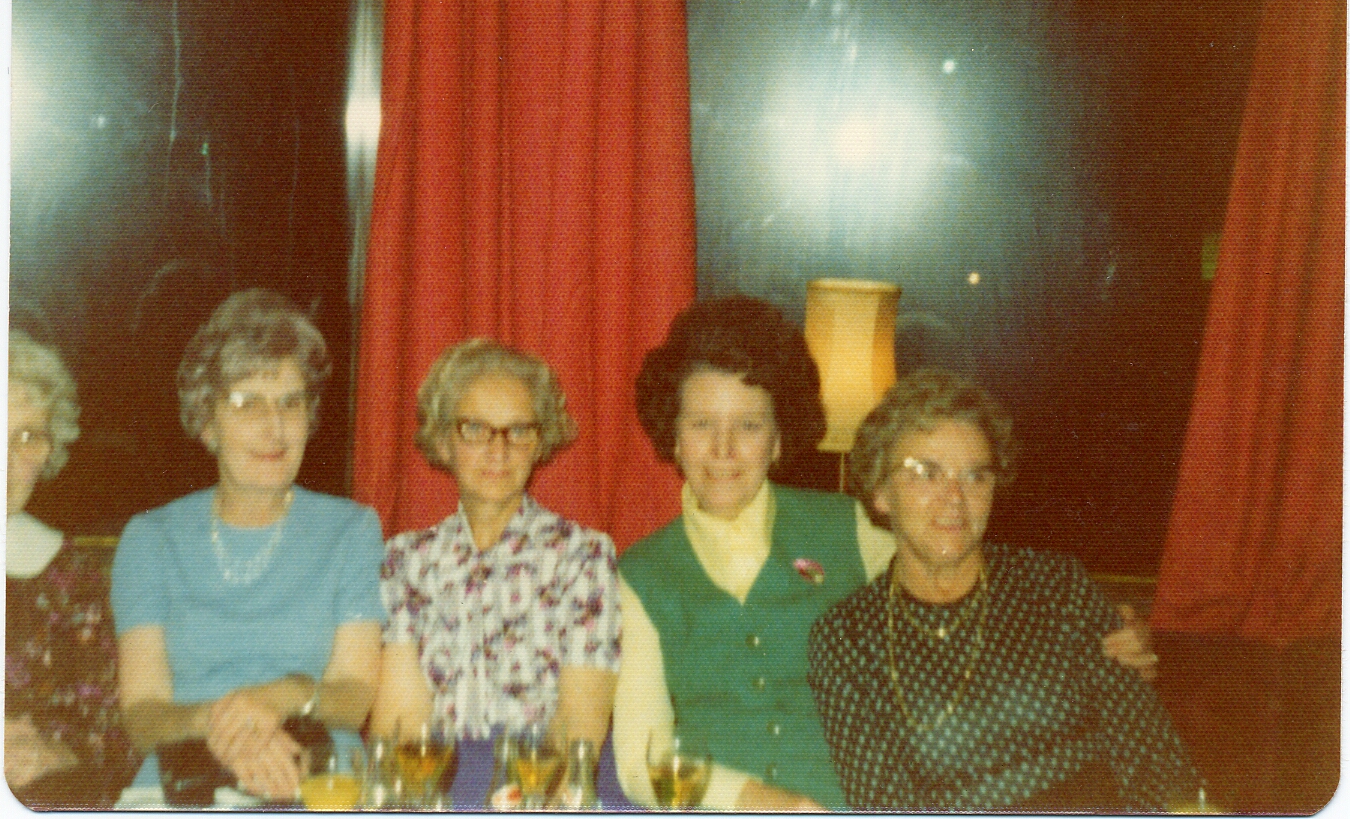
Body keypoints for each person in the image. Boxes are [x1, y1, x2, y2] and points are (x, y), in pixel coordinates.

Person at [614, 296, 1160, 811]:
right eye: (702, 425)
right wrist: (769, 803)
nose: (723, 449)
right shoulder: (640, 573)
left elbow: (961, 570)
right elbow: (643, 762)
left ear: (778, 440)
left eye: (749, 426)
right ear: (674, 437)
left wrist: (1108, 629)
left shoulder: (846, 525)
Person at [808, 368, 1200, 810]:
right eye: (927, 473)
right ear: (880, 490)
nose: (955, 497)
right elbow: (884, 804)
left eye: (975, 476)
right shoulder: (848, 638)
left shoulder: (1056, 586)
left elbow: (1152, 752)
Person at [110, 290, 385, 801]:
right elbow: (143, 716)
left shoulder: (351, 530)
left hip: (318, 772)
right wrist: (230, 732)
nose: (274, 427)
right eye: (247, 403)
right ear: (207, 422)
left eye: (290, 403)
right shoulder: (150, 539)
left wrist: (281, 697)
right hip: (184, 776)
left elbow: (354, 697)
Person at [370, 338, 621, 753]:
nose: (498, 450)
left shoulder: (582, 556)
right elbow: (401, 719)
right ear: (444, 440)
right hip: (438, 772)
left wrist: (534, 789)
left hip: (542, 771)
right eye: (475, 429)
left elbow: (580, 722)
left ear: (539, 442)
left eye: (518, 431)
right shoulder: (406, 560)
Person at [6, 331, 140, 807]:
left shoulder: (69, 575)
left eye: (27, 438)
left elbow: (117, 734)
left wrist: (56, 754)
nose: (5, 462)